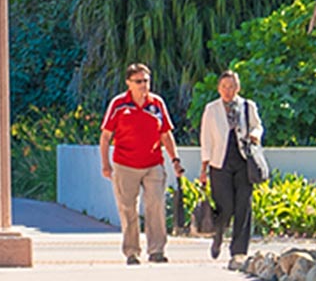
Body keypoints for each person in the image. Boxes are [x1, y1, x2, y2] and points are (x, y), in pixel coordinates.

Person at [100, 62, 186, 264]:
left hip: (153, 163)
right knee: (128, 208)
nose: (143, 85)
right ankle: (132, 252)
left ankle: (157, 250)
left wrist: (175, 160)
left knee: (155, 204)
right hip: (124, 164)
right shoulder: (119, 104)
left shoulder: (156, 104)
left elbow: (166, 134)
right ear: (128, 83)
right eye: (138, 81)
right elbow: (105, 136)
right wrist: (105, 164)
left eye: (146, 81)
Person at [199, 69, 264, 268]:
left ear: (238, 87)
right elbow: (206, 139)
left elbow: (258, 126)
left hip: (244, 160)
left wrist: (255, 135)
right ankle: (218, 234)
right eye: (224, 87)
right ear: (219, 88)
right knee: (225, 207)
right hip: (220, 162)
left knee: (243, 206)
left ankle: (239, 252)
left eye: (232, 86)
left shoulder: (247, 106)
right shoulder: (212, 109)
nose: (228, 91)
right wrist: (204, 168)